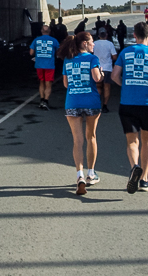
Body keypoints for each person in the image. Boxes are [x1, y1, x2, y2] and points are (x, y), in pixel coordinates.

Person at [111, 22, 148, 193]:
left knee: (131, 141)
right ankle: (144, 179)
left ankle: (135, 166)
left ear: (134, 35)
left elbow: (114, 76)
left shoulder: (125, 53)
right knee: (147, 141)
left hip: (127, 102)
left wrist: (126, 85)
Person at [58, 32, 103, 195]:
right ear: (84, 43)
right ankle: (91, 173)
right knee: (91, 137)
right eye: (92, 42)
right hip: (91, 101)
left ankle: (79, 175)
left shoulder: (68, 60)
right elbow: (97, 79)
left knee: (77, 140)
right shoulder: (93, 59)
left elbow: (65, 83)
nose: (94, 44)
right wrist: (102, 73)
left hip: (73, 101)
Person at [29, 24, 60, 110]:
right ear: (50, 31)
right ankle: (46, 101)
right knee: (48, 84)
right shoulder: (54, 41)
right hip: (49, 65)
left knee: (41, 82)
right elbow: (58, 53)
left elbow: (31, 53)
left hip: (39, 65)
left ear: (41, 31)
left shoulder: (36, 40)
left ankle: (41, 100)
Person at [91, 28, 118, 113]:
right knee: (107, 87)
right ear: (106, 35)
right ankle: (105, 106)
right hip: (107, 68)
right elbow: (114, 57)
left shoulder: (94, 44)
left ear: (98, 35)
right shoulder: (110, 44)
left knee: (98, 86)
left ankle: (97, 105)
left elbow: (90, 54)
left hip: (97, 68)